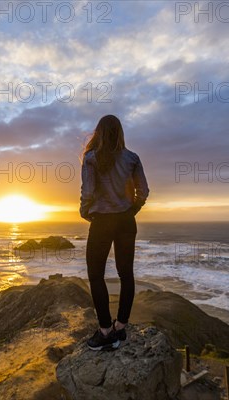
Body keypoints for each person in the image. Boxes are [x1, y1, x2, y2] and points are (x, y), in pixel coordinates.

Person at [79, 114, 149, 351]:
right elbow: (144, 191)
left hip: (101, 223)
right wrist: (132, 210)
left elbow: (87, 193)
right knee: (126, 274)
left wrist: (83, 210)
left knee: (96, 275)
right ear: (120, 133)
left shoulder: (91, 159)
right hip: (126, 221)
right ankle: (120, 328)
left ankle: (105, 331)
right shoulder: (132, 158)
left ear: (98, 133)